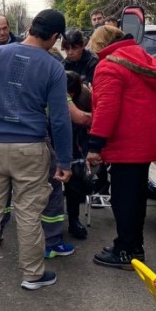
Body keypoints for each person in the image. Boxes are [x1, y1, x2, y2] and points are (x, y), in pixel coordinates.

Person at [0, 9, 73, 291]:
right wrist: (64, 160)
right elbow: (60, 120)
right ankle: (33, 275)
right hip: (30, 149)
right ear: (54, 37)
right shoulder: (53, 67)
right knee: (28, 213)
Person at [85, 25, 156, 270]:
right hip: (144, 139)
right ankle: (133, 246)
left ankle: (125, 250)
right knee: (135, 198)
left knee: (123, 200)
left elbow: (107, 109)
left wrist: (95, 145)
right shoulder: (137, 59)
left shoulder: (109, 66)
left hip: (127, 143)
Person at [64, 71, 92, 240]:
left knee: (74, 179)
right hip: (49, 140)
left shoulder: (85, 97)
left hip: (76, 143)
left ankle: (74, 220)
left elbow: (85, 121)